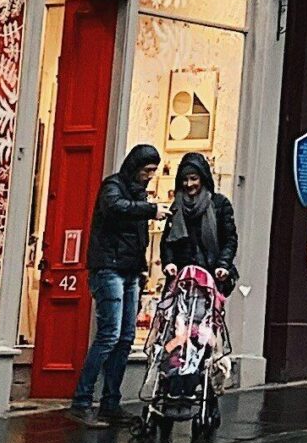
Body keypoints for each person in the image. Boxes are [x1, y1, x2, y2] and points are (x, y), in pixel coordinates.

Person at [70, 144, 163, 425]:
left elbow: (137, 236)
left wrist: (142, 269)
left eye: (153, 172)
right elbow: (114, 207)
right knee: (109, 335)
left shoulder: (137, 192)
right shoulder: (113, 186)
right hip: (108, 268)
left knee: (125, 338)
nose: (149, 176)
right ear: (135, 167)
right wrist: (150, 209)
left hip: (130, 270)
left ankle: (111, 402)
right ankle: (82, 401)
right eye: (146, 170)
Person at [160, 152, 238, 293]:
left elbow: (229, 240)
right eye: (185, 179)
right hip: (181, 277)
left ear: (202, 178)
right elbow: (168, 240)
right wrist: (169, 262)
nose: (189, 184)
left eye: (193, 179)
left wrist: (223, 265)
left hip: (211, 275)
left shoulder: (220, 204)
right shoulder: (177, 205)